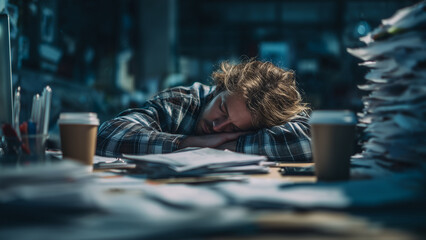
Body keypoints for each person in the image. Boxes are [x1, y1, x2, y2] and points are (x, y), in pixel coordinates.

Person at [96, 59, 312, 162]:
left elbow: (311, 139)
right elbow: (106, 135)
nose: (217, 126)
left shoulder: (267, 118)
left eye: (234, 128)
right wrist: (188, 144)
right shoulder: (181, 102)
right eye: (222, 109)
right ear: (219, 88)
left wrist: (226, 147)